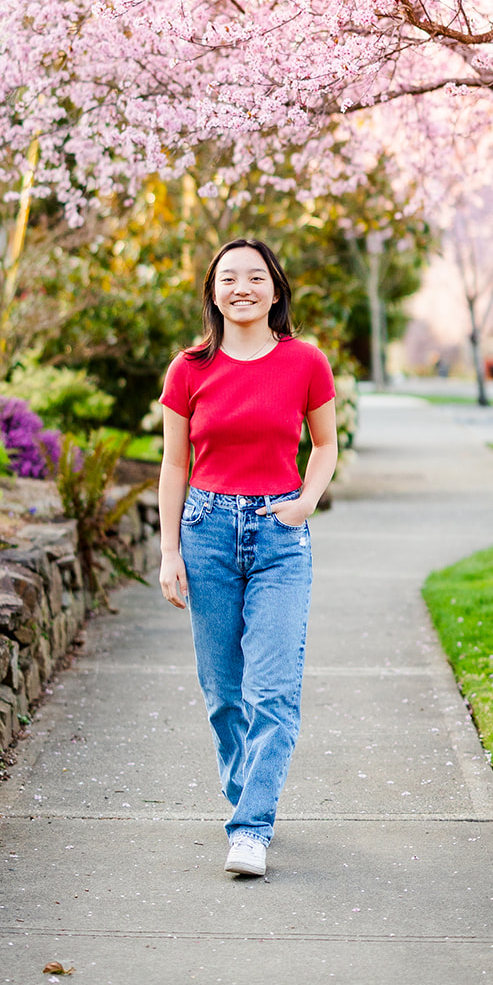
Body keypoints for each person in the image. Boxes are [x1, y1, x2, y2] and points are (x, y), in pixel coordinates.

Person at [158, 238, 338, 878]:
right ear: (212, 291)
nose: (243, 288)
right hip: (205, 529)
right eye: (229, 278)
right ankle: (247, 797)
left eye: (255, 277)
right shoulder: (188, 369)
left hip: (278, 534)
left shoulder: (306, 361)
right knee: (223, 694)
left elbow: (324, 447)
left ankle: (251, 828)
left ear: (275, 289)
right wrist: (169, 549)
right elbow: (174, 464)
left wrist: (305, 502)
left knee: (273, 691)